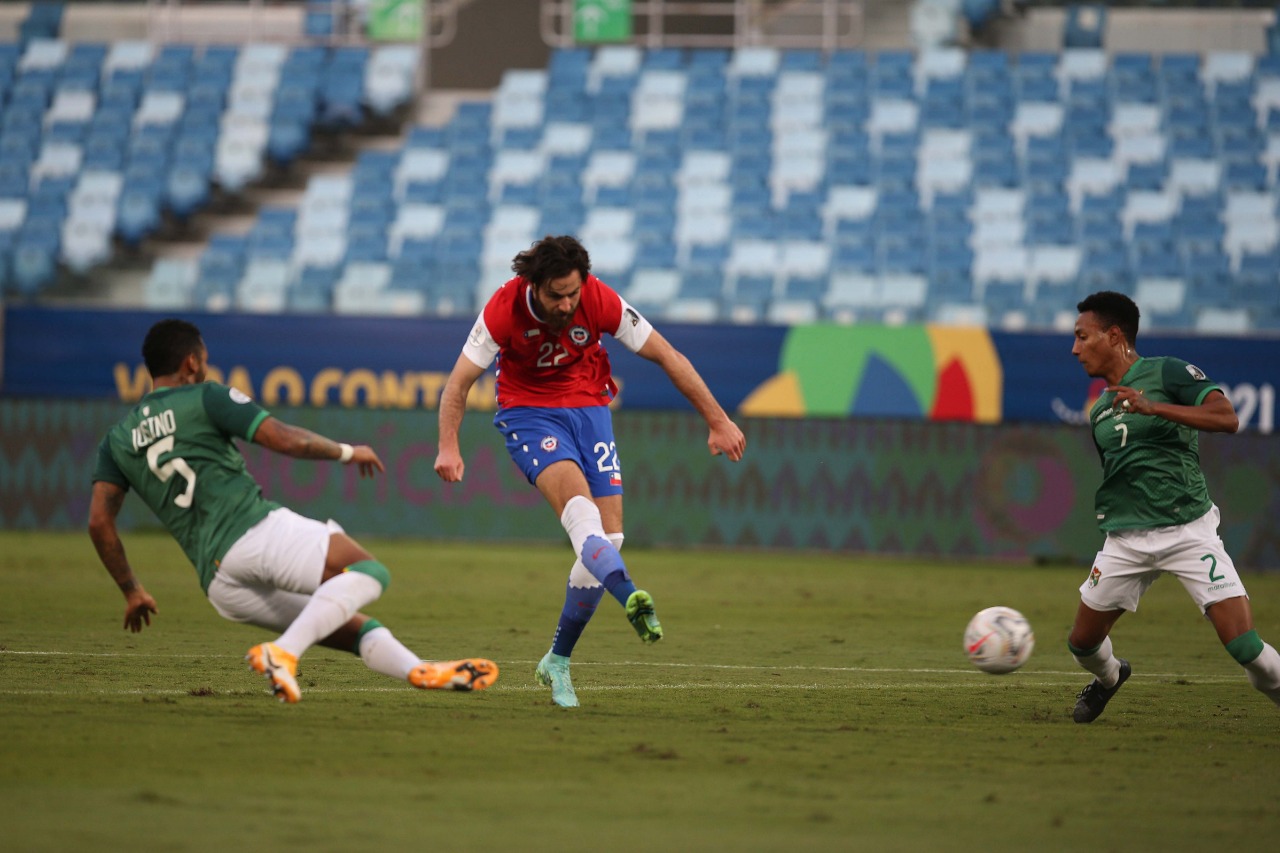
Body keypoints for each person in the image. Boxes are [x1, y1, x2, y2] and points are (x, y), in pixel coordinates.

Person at [88, 318, 498, 703]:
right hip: (250, 532)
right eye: (205, 361)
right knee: (371, 573)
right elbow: (285, 440)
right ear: (191, 362)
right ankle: (282, 653)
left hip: (217, 581)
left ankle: (421, 671)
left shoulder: (118, 440)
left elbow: (99, 522)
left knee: (345, 624)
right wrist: (347, 451)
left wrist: (131, 590)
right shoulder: (205, 397)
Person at [434, 235, 746, 707]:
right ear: (533, 286)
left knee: (610, 540)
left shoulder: (598, 298)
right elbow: (458, 384)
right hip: (529, 413)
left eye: (572, 294)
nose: (565, 304)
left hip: (590, 409)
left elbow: (668, 356)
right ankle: (630, 595)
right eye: (555, 295)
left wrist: (718, 420)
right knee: (582, 517)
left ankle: (557, 661)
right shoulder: (502, 309)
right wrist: (448, 446)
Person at [1067, 290, 1280, 722]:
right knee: (1082, 645)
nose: (1074, 349)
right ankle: (1110, 677)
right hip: (1126, 539)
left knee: (1244, 647)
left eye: (1082, 337)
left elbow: (1228, 418)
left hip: (1187, 531)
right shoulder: (1101, 410)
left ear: (1113, 335)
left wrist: (1155, 407)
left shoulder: (1167, 372)